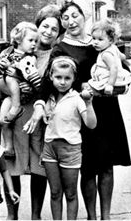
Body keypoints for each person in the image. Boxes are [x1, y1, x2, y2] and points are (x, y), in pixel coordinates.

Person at [26, 0, 131, 220]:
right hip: (81, 112)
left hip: (107, 109)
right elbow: (48, 80)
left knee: (107, 166)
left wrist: (118, 81)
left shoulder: (99, 41)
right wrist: (39, 104)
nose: (71, 21)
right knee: (88, 168)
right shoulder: (61, 48)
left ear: (84, 16)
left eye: (75, 15)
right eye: (65, 18)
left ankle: (106, 216)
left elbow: (123, 70)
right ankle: (92, 216)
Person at [3, 4, 64, 220]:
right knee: (12, 165)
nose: (47, 32)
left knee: (40, 166)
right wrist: (17, 89)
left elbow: (60, 85)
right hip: (17, 112)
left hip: (42, 115)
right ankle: (12, 216)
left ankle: (36, 216)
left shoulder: (57, 54)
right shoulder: (19, 49)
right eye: (44, 26)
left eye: (54, 29)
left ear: (59, 34)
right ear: (37, 26)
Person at [42, 56, 97, 220]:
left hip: (70, 149)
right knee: (54, 192)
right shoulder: (49, 98)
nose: (62, 82)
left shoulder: (77, 98)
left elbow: (91, 124)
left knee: (71, 193)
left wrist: (89, 104)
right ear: (51, 76)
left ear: (74, 79)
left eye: (67, 78)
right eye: (58, 77)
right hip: (50, 148)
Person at [0, 21, 41, 158]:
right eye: (30, 40)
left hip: (21, 95)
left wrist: (13, 68)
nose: (34, 44)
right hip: (10, 96)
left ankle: (16, 106)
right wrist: (1, 64)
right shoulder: (7, 52)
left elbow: (31, 76)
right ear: (18, 39)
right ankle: (9, 147)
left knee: (11, 77)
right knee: (3, 120)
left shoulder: (30, 58)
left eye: (36, 41)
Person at [81, 19, 131, 98]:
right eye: (94, 38)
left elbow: (114, 68)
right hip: (120, 81)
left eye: (100, 39)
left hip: (110, 83)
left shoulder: (105, 55)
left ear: (110, 40)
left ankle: (96, 93)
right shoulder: (114, 48)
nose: (95, 42)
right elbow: (123, 57)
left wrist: (110, 85)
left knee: (86, 90)